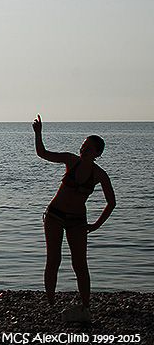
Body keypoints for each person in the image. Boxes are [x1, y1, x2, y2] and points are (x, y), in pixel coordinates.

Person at [32, 114, 116, 320]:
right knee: (53, 259)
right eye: (83, 145)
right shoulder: (71, 161)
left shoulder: (99, 175)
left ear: (97, 153)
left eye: (89, 148)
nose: (83, 149)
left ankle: (85, 306)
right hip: (55, 215)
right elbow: (43, 153)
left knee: (80, 264)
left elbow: (111, 202)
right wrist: (38, 133)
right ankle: (50, 303)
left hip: (77, 221)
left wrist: (96, 225)